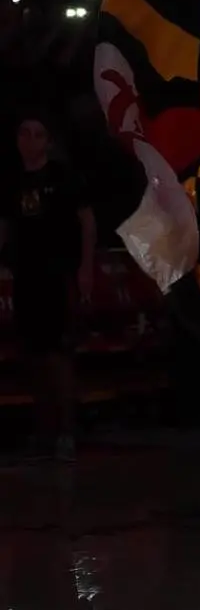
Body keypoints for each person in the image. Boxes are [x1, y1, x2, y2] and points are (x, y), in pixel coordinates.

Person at [2, 113, 96, 462]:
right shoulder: (11, 181)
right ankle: (44, 430)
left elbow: (87, 222)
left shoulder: (64, 177)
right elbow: (6, 226)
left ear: (48, 141)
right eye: (24, 134)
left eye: (37, 134)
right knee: (33, 356)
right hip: (25, 278)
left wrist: (85, 267)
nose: (30, 141)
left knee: (59, 355)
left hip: (57, 276)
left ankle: (67, 433)